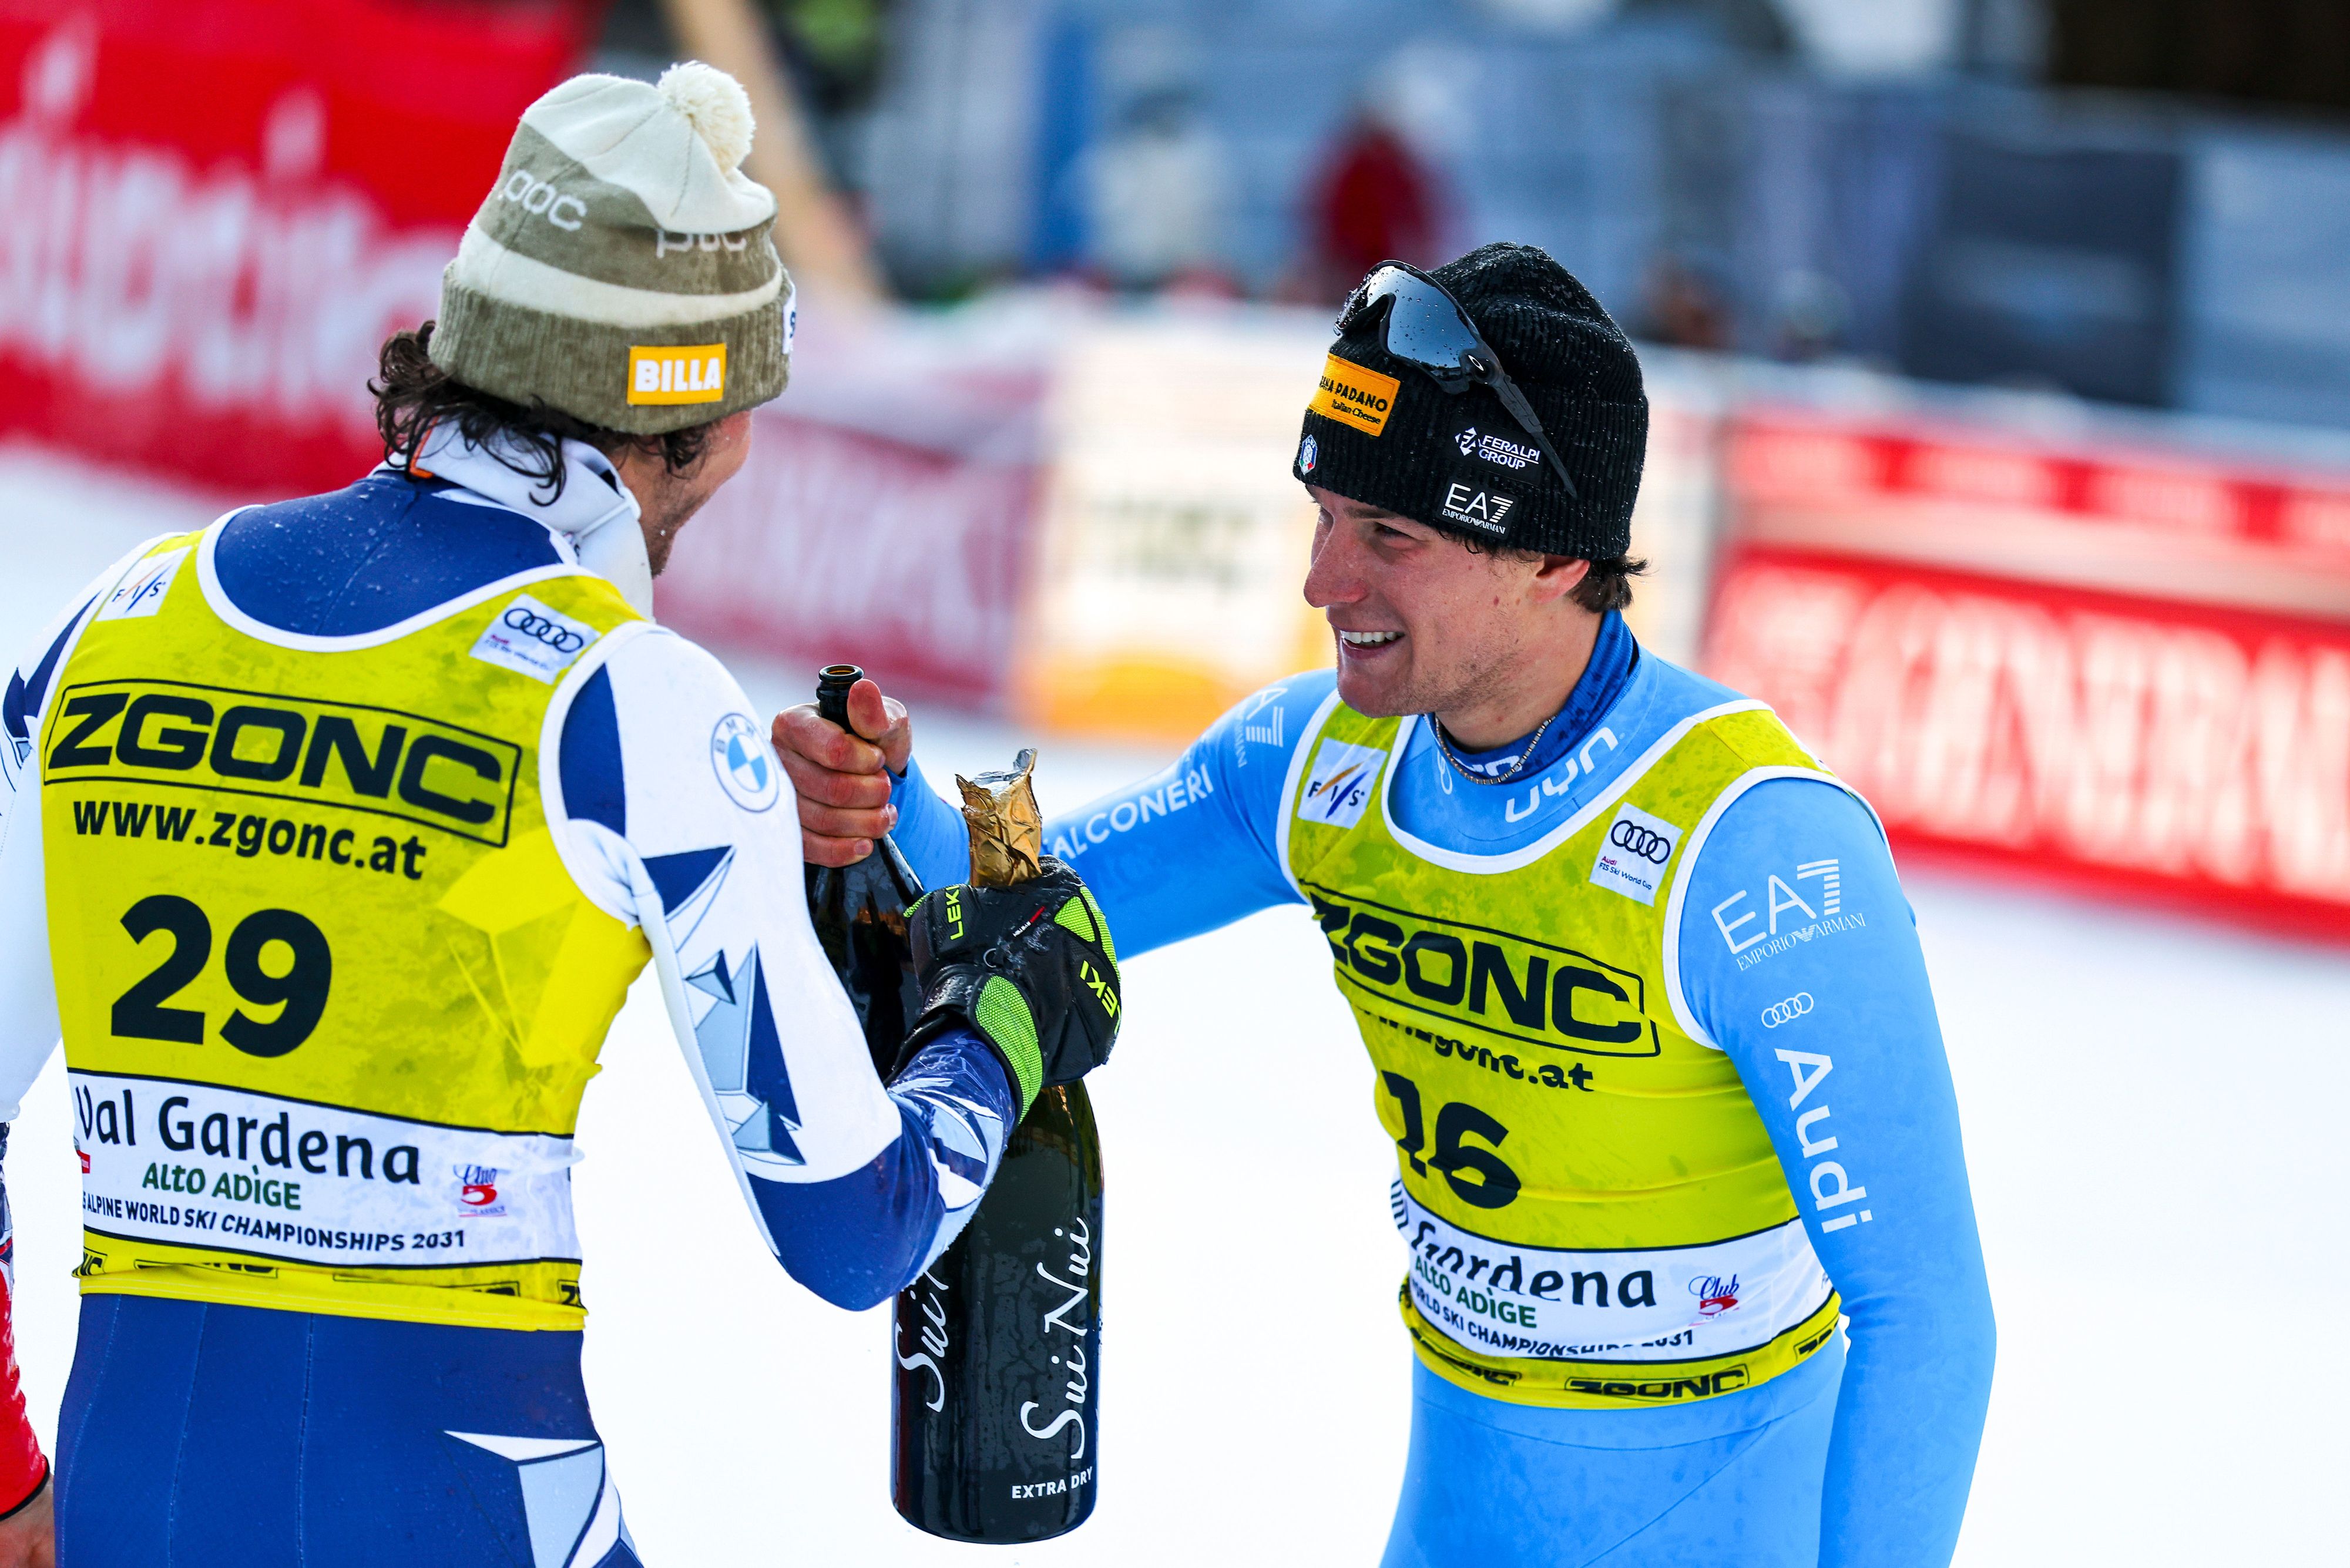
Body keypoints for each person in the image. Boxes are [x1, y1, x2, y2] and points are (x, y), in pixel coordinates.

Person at [0, 63, 1116, 1567]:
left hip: (134, 1496)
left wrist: (8, 1481)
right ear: (694, 421)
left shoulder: (114, 619)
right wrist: (1001, 1024)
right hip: (465, 1515)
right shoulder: (633, 700)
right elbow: (858, 1228)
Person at [779, 244, 1996, 1567]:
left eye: (1389, 536)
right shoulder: (1313, 763)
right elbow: (1029, 914)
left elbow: (1925, 1320)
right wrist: (873, 807)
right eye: (1324, 516)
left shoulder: (1755, 848)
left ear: (1551, 554)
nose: (1323, 582)